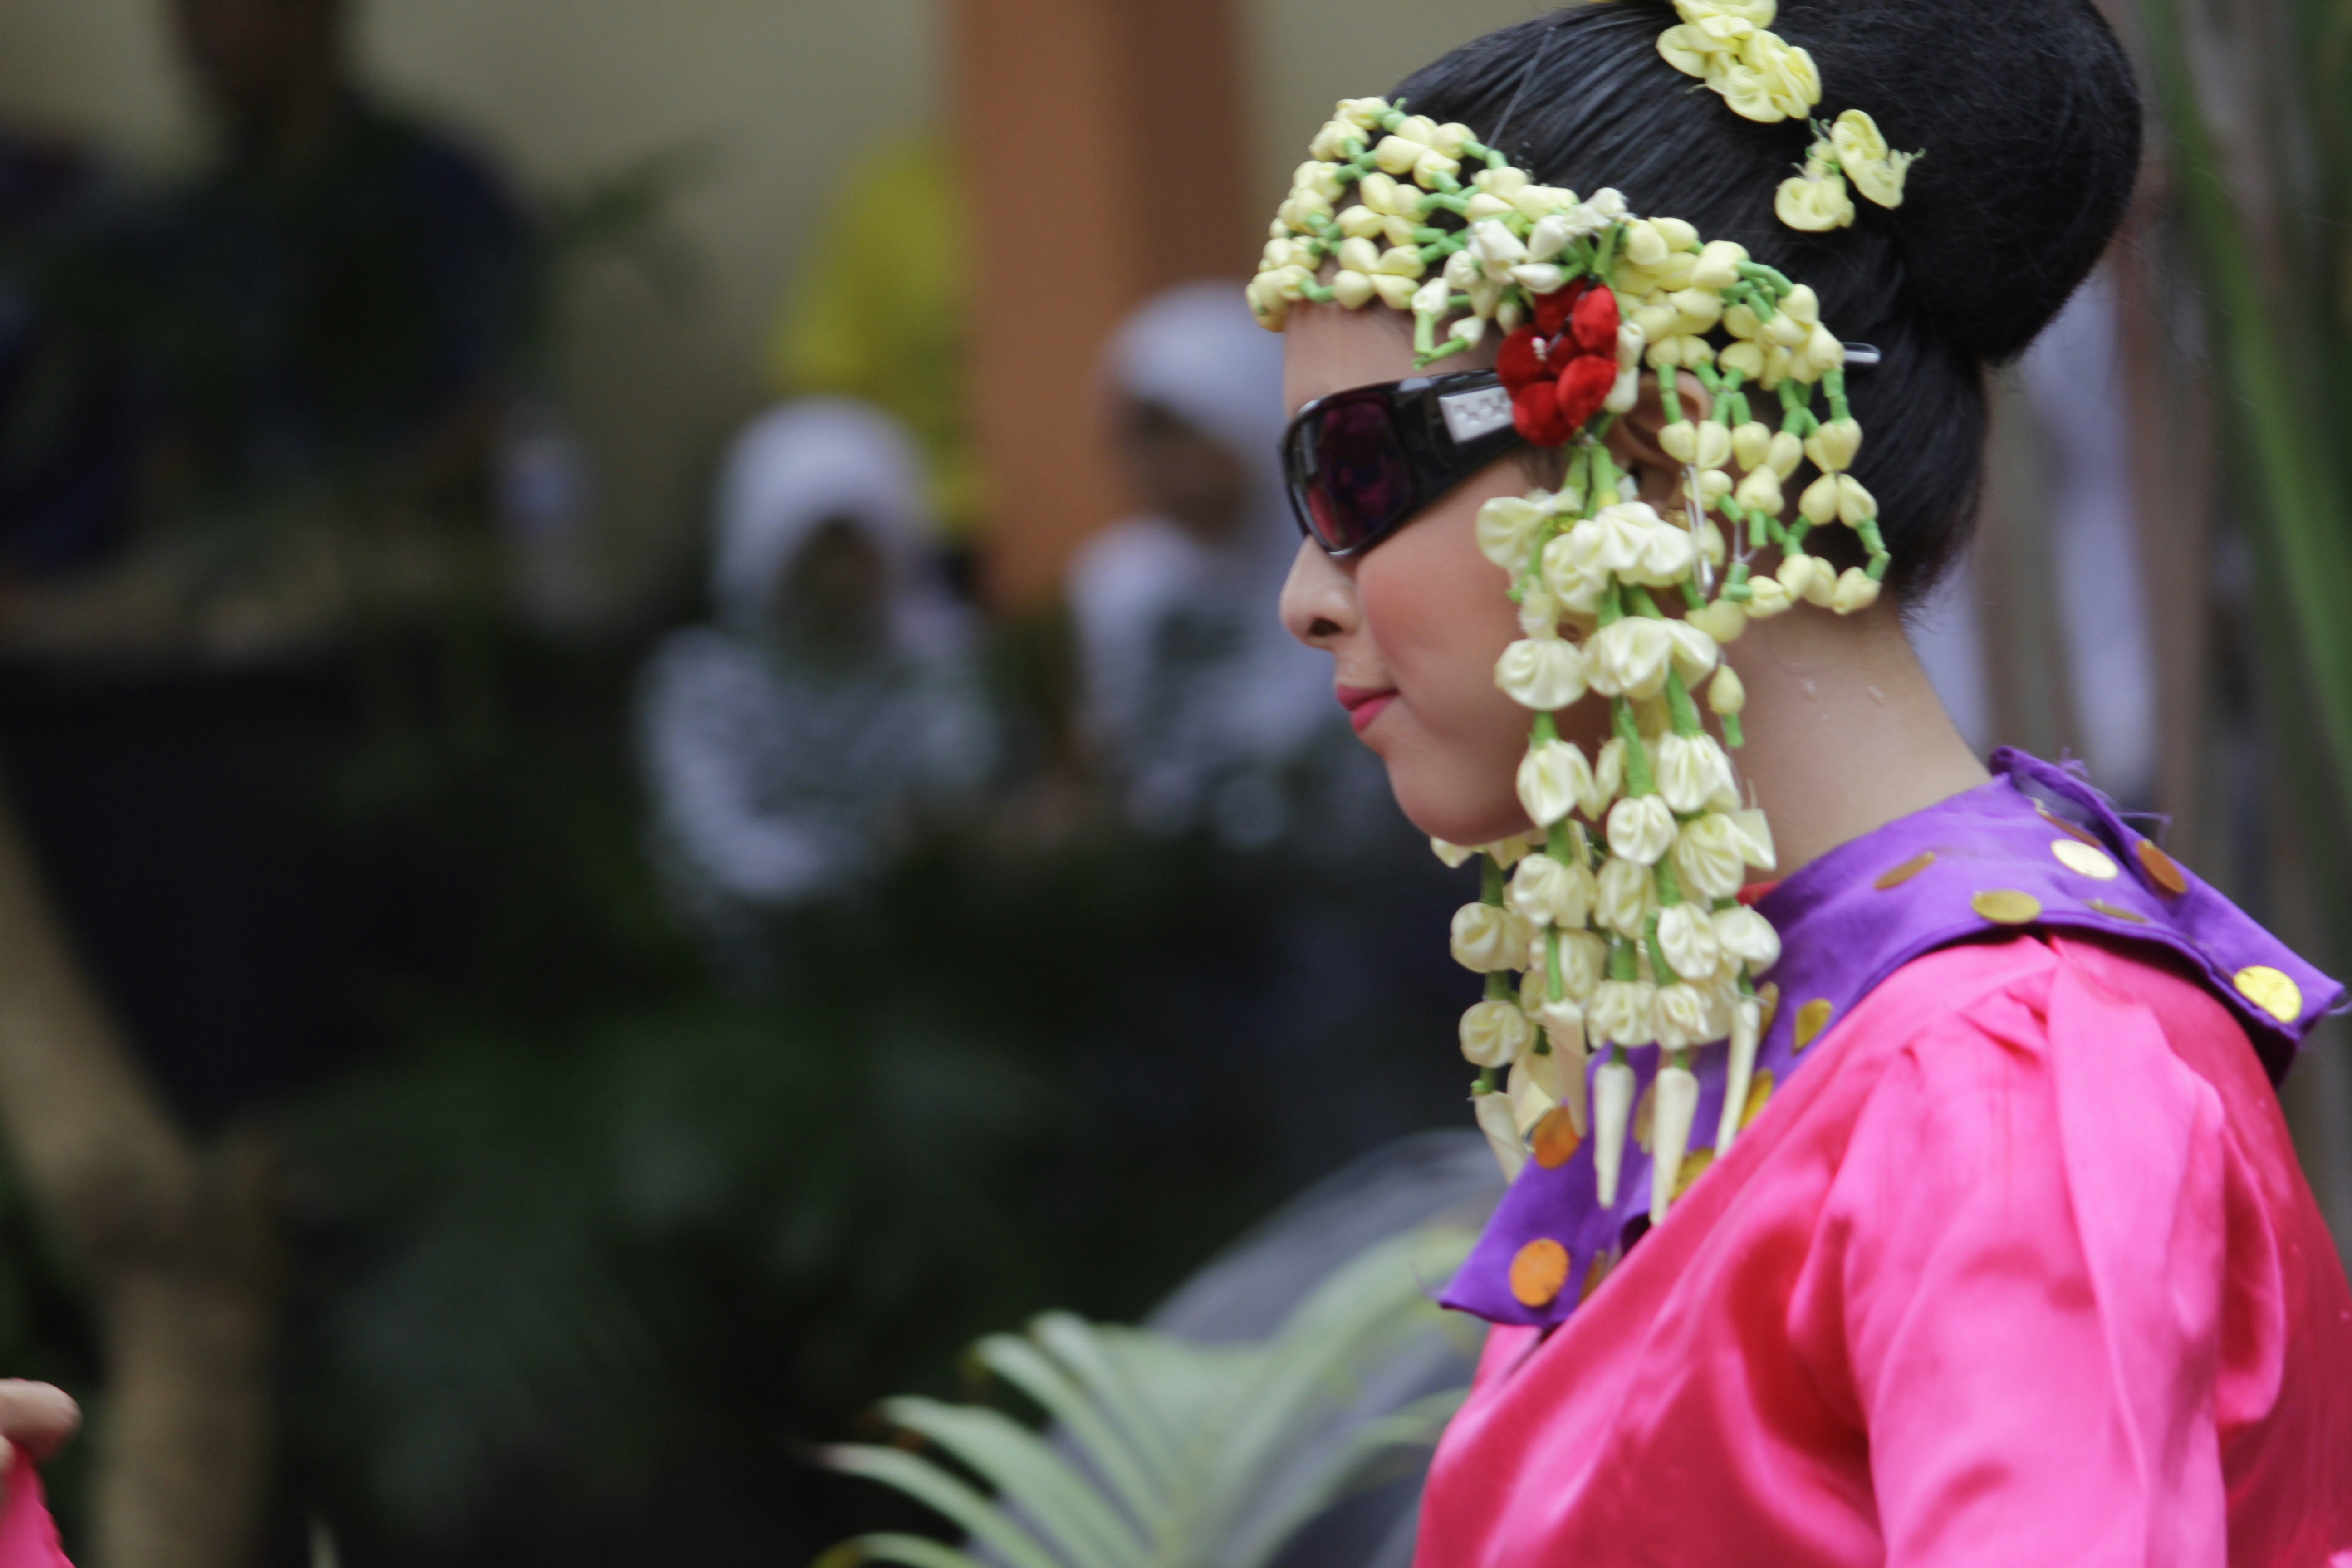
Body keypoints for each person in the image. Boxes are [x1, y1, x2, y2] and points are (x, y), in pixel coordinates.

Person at [1255, 0, 2352, 1559]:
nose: (1304, 591)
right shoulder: (1768, 1028)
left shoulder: (1995, 1075)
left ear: (1653, 443)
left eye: (1353, 477)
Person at [637, 399, 994, 975]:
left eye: (859, 540)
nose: (842, 569)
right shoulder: (701, 683)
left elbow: (958, 795)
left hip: (916, 968)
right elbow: (718, 848)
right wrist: (865, 861)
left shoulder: (939, 661)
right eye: (819, 542)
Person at [1067, 283, 1352, 846]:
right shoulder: (1119, 584)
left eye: (1189, 436)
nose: (1171, 470)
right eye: (1144, 442)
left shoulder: (1343, 556)